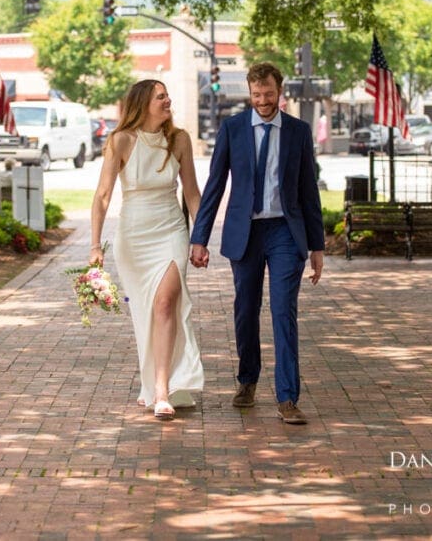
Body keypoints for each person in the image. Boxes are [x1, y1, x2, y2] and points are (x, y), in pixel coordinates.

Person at [190, 62, 324, 425]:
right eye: (256, 95)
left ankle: (287, 398)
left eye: (268, 94)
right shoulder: (233, 129)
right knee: (246, 311)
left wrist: (317, 247)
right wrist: (199, 238)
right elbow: (215, 185)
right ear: (249, 94)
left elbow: (308, 191)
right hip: (245, 234)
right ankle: (247, 380)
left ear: (280, 92)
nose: (262, 101)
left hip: (284, 233)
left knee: (284, 313)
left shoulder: (298, 131)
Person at [90, 79, 205, 420]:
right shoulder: (121, 140)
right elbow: (103, 195)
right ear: (143, 103)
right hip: (134, 235)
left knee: (166, 303)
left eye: (168, 94)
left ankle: (162, 390)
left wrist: (199, 237)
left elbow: (192, 194)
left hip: (170, 229)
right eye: (160, 96)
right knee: (145, 312)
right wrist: (95, 245)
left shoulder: (179, 139)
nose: (168, 100)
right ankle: (151, 384)